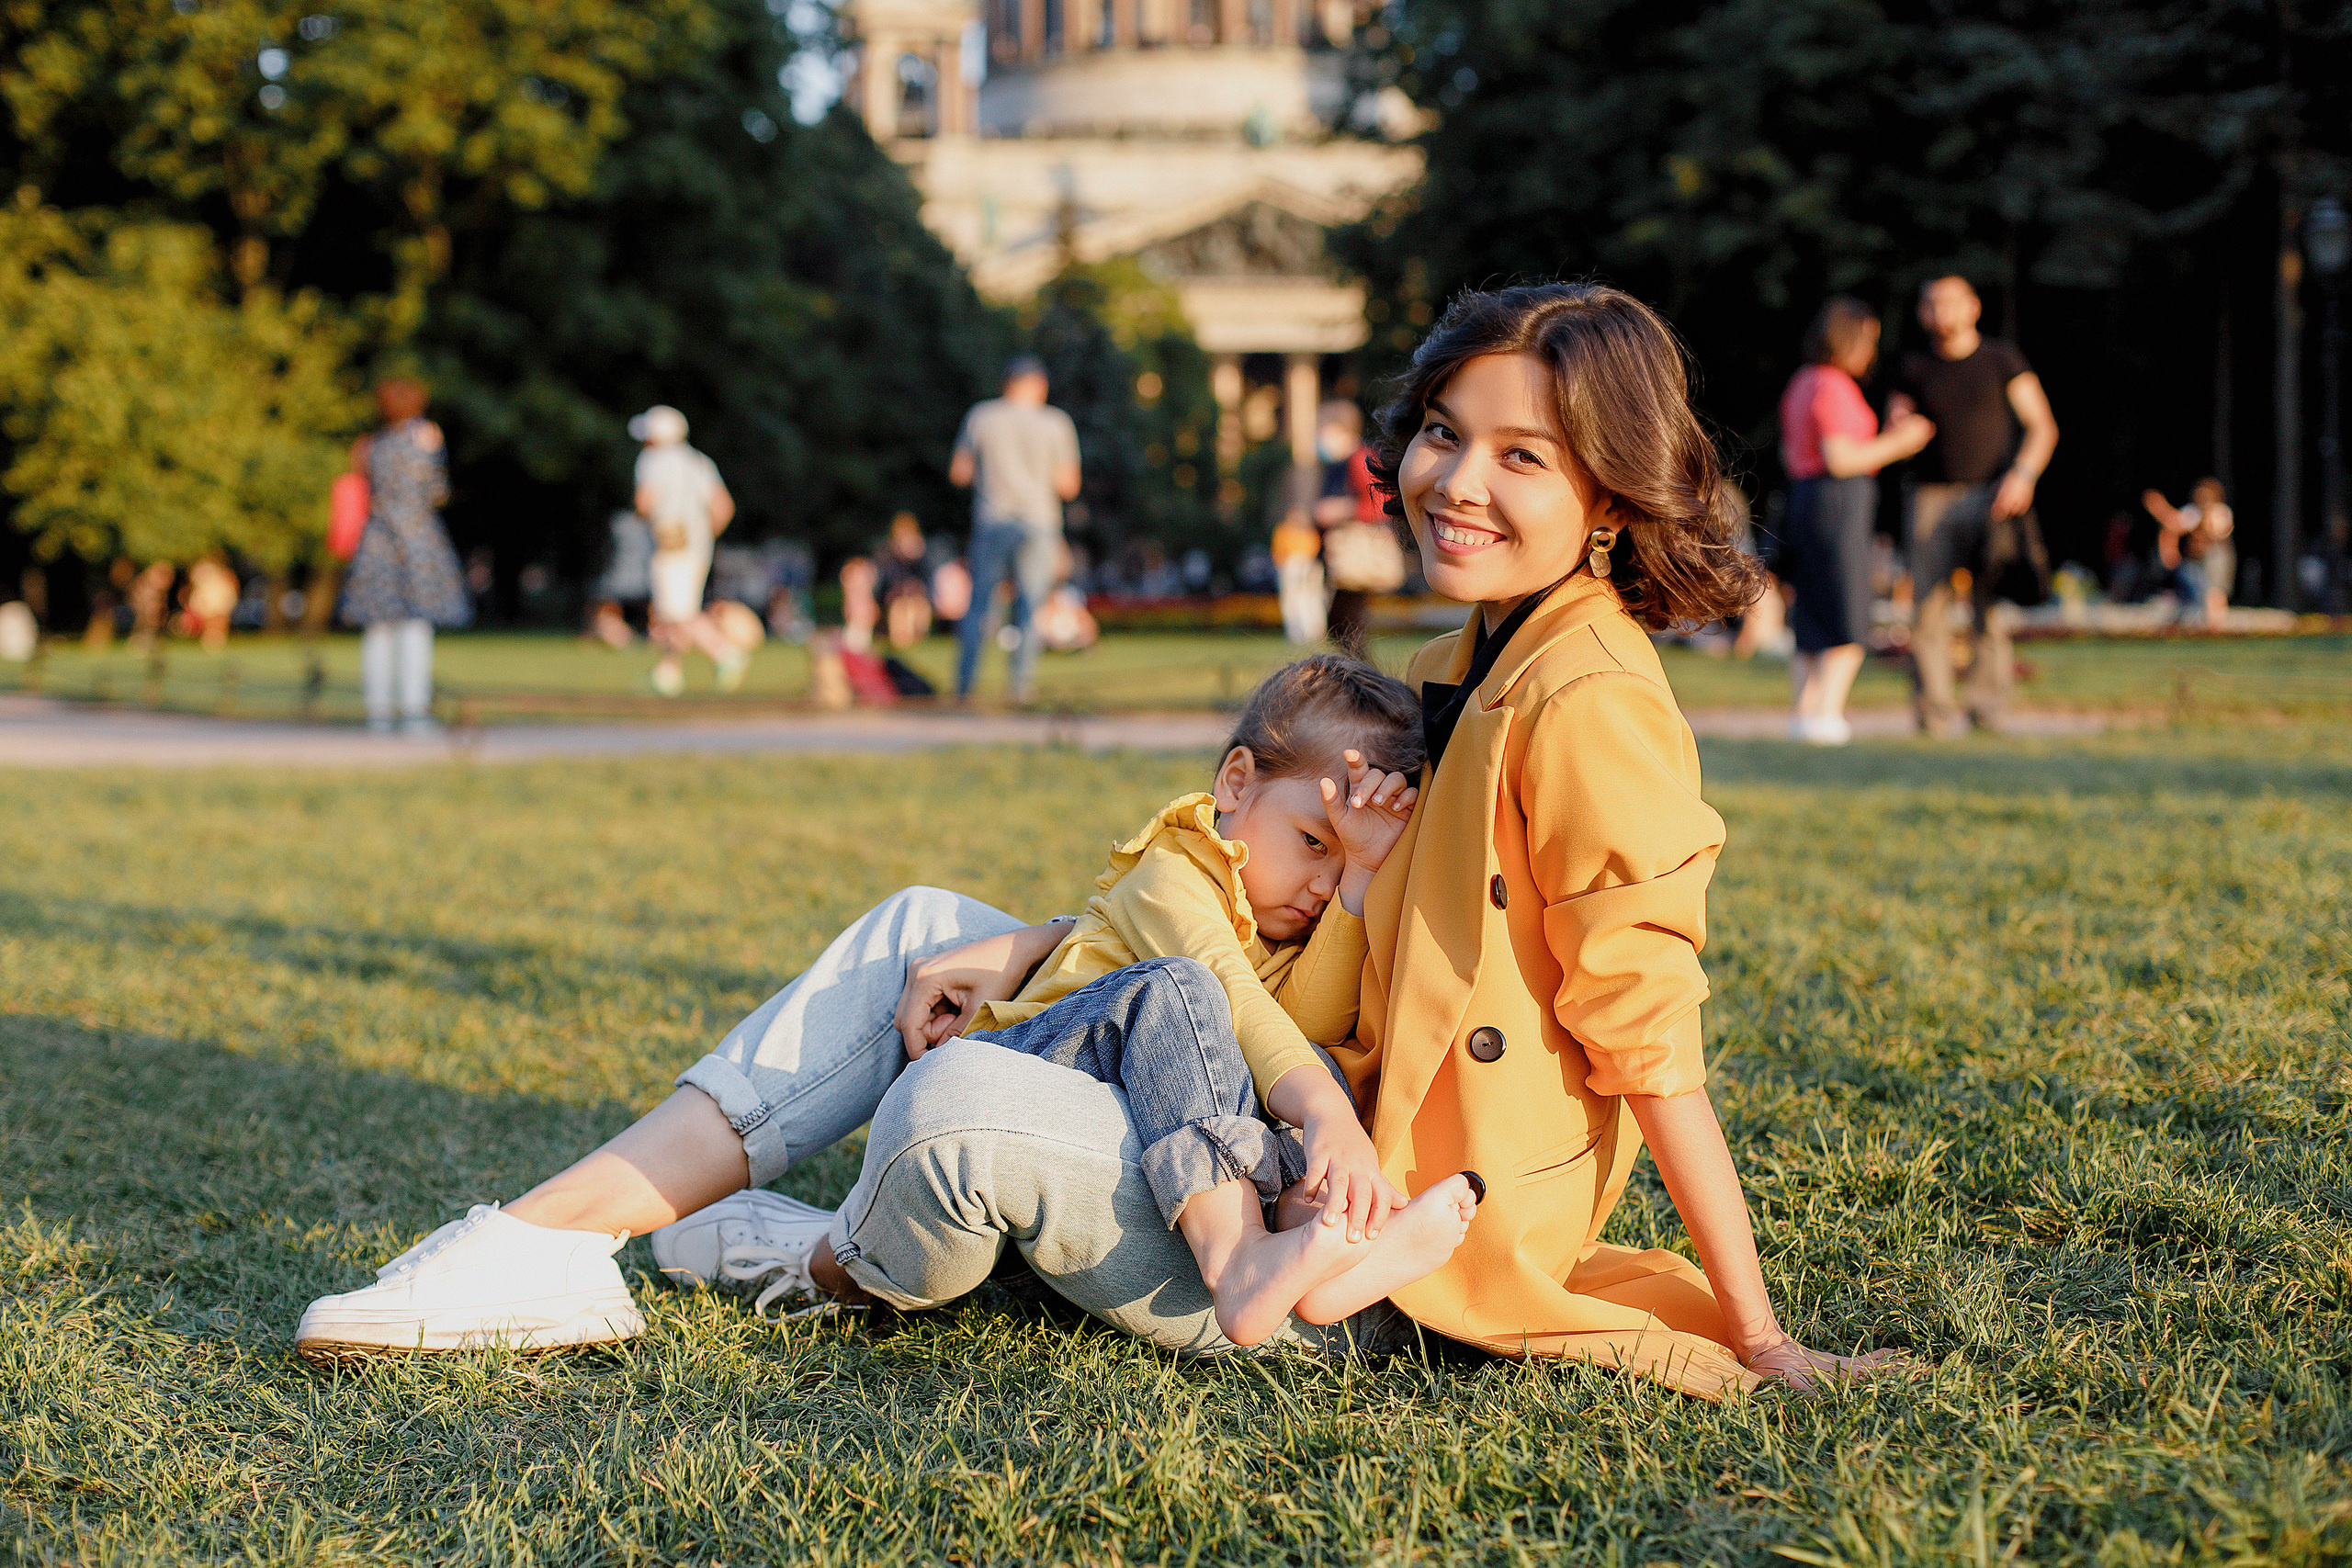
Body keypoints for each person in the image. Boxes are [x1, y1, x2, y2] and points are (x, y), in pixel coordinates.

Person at [293, 286, 1898, 1396]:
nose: (1455, 482)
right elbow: (1294, 958)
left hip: (1357, 1246)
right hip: (1282, 1133)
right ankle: (544, 1244)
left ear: (1610, 490)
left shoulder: (1588, 699)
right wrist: (1051, 950)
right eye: (1444, 432)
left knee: (957, 1100)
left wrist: (1757, 1335)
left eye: (1522, 458)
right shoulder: (1463, 672)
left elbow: (1649, 1042)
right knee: (928, 923)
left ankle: (772, 1247)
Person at [926, 658, 1476, 1348]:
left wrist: (1360, 877)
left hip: (1148, 1116)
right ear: (1237, 781)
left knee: (1306, 1056)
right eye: (1313, 843)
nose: (1318, 886)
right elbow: (1232, 993)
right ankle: (1237, 1255)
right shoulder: (1175, 868)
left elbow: (1302, 1022)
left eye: (1339, 867)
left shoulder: (1288, 922)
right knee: (1184, 992)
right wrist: (1327, 1111)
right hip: (1030, 1068)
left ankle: (1319, 1237)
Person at [1890, 276, 2059, 737]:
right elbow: (1896, 428)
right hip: (1929, 498)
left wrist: (2023, 476)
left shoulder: (2002, 359)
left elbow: (2042, 426)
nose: (1940, 312)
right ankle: (1935, 717)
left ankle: (1987, 709)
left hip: (1993, 498)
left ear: (1973, 308)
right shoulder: (1914, 367)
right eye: (1930, 303)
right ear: (1923, 313)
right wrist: (1898, 427)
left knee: (1990, 607)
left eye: (1949, 302)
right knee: (1927, 611)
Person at [1778, 298, 1937, 745]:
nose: (1871, 351)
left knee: (1810, 609)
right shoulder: (1832, 385)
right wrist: (1903, 442)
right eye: (1868, 340)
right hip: (1839, 502)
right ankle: (1827, 717)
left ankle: (1802, 716)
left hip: (1804, 499)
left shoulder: (1802, 381)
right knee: (1848, 607)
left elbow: (1797, 453)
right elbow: (1842, 458)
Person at [339, 378, 470, 736]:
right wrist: (433, 451)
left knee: (378, 629)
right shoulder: (424, 439)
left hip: (377, 541)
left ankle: (378, 714)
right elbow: (436, 491)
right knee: (415, 628)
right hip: (415, 540)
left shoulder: (369, 446)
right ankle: (414, 712)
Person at [950, 357, 1080, 703]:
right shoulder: (1056, 423)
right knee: (1029, 607)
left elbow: (959, 473)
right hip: (1039, 523)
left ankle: (965, 686)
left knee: (979, 605)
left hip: (993, 519)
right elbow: (1068, 486)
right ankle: (1019, 687)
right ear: (1039, 385)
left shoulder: (982, 417)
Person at [632, 405, 745, 697]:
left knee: (677, 611)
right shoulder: (700, 462)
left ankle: (725, 653)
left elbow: (645, 503)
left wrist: (643, 521)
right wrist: (702, 535)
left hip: (670, 543)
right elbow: (723, 507)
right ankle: (668, 673)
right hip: (697, 545)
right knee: (677, 609)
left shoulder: (652, 460)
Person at [1310, 400, 1398, 656]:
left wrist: (1341, 509)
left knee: (1346, 624)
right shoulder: (1337, 465)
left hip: (1356, 554)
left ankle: (1361, 678)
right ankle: (1358, 674)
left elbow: (1381, 505)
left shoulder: (1359, 460)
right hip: (1342, 555)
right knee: (1343, 623)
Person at [2143, 478, 2235, 628]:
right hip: (2197, 560)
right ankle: (2205, 626)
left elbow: (2215, 532)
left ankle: (2216, 628)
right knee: (2199, 593)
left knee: (2216, 593)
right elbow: (2174, 523)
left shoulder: (2220, 512)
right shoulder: (2193, 510)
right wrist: (2160, 508)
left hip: (2216, 557)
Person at [875, 512, 943, 649]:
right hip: (896, 597)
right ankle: (902, 640)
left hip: (918, 597)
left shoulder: (923, 555)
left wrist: (918, 556)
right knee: (900, 607)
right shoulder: (888, 555)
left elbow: (928, 578)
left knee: (917, 606)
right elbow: (885, 582)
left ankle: (916, 639)